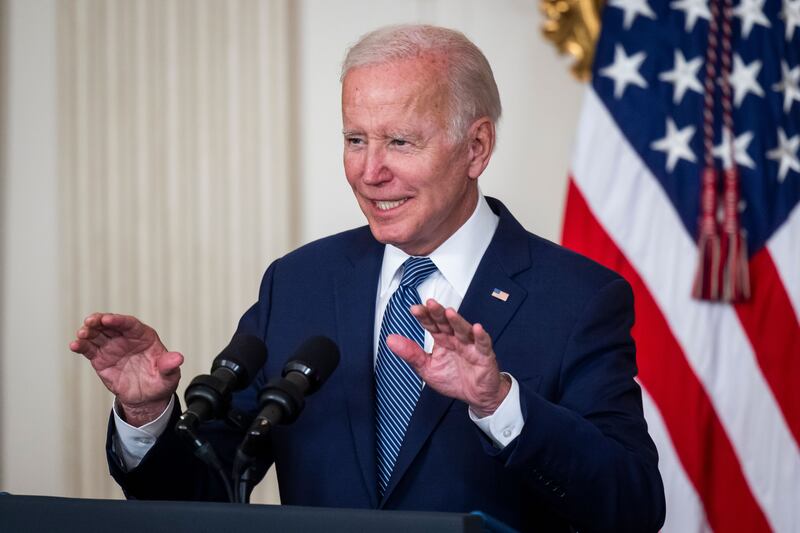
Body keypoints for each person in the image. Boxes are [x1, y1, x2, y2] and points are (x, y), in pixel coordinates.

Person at [70, 24, 665, 532]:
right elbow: (205, 491)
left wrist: (498, 402)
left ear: (476, 148)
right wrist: (147, 416)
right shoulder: (298, 282)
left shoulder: (578, 298)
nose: (369, 171)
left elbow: (632, 507)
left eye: (400, 142)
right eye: (356, 140)